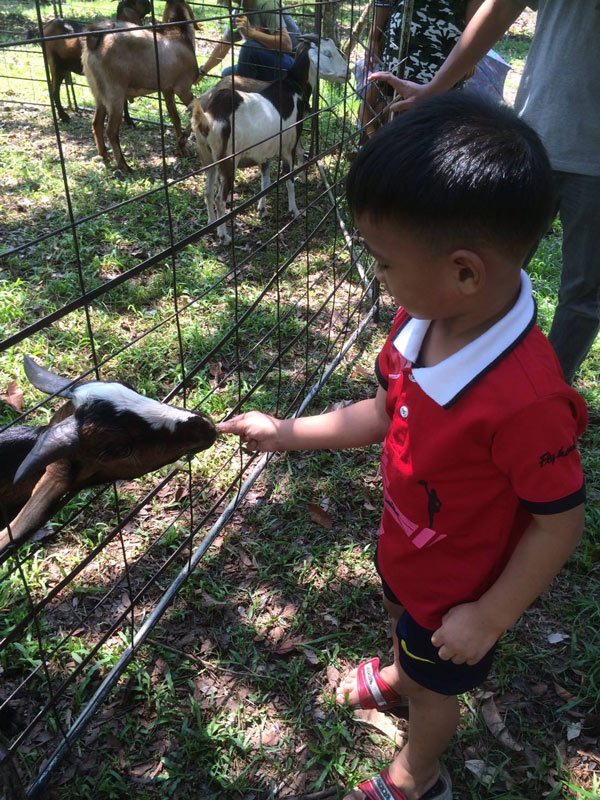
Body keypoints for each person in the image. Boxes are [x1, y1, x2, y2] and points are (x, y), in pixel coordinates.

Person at [218, 93, 587, 800]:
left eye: (383, 261)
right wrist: (287, 433)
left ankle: (420, 771)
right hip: (408, 549)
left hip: (459, 593)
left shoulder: (529, 402)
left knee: (435, 691)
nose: (378, 276)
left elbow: (557, 521)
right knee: (402, 628)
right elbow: (386, 412)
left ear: (464, 271)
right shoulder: (422, 321)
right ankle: (398, 672)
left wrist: (490, 616)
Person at [368, 0, 600, 382]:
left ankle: (547, 393)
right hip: (530, 144)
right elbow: (498, 9)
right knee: (472, 267)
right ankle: (448, 373)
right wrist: (435, 88)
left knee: (582, 292)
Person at [356, 0, 483, 142]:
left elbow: (480, 9)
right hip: (400, 46)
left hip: (447, 49)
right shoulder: (381, 90)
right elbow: (365, 106)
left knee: (437, 113)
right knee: (394, 100)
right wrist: (373, 38)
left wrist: (470, 54)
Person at [198, 0, 295, 82]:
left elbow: (287, 45)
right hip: (268, 63)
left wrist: (252, 33)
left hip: (291, 65)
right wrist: (203, 71)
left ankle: (245, 100)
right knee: (227, 75)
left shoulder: (266, 4)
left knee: (249, 49)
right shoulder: (239, 12)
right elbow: (224, 44)